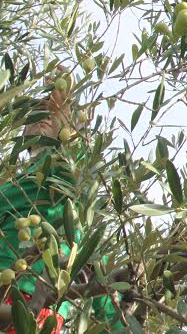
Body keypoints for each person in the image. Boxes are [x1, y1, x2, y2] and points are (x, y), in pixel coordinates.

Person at [0, 71, 125, 332]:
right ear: (23, 135)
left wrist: (64, 123)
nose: (45, 118)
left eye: (51, 112)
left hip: (39, 301)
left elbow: (80, 176)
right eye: (37, 114)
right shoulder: (11, 189)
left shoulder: (72, 176)